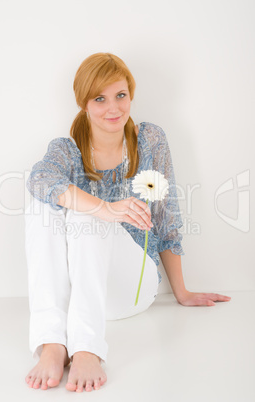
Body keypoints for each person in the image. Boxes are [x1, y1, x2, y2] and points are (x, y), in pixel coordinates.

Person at [24, 52, 231, 393]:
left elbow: (165, 217)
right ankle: (52, 343)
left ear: (131, 95)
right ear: (84, 104)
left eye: (120, 95)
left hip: (132, 285)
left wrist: (181, 291)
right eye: (100, 98)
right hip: (83, 296)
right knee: (43, 202)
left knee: (83, 211)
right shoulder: (67, 149)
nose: (113, 108)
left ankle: (88, 348)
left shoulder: (149, 139)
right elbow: (40, 180)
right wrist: (106, 208)